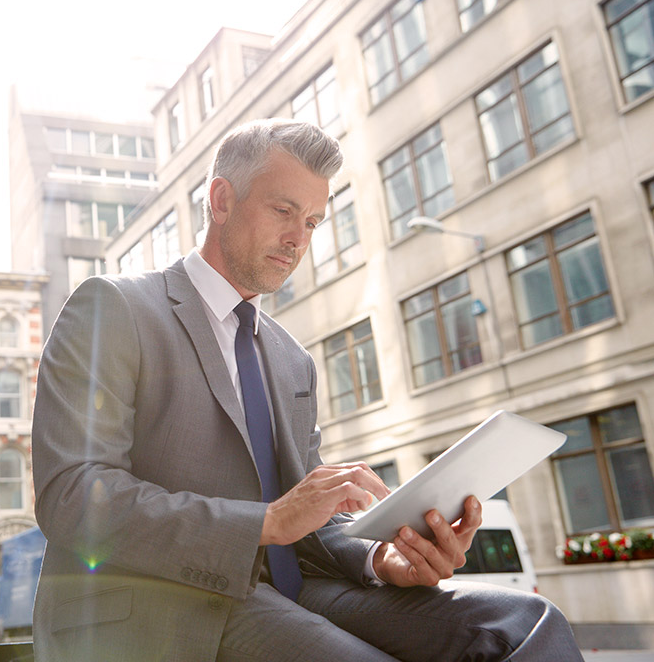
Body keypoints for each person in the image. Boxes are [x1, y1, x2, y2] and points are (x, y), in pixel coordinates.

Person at [30, 118, 583, 661]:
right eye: (283, 211)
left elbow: (310, 523)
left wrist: (383, 558)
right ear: (221, 201)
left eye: (314, 222)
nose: (298, 239)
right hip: (167, 600)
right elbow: (72, 495)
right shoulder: (114, 307)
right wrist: (266, 523)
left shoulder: (292, 359)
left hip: (297, 590)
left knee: (524, 621)